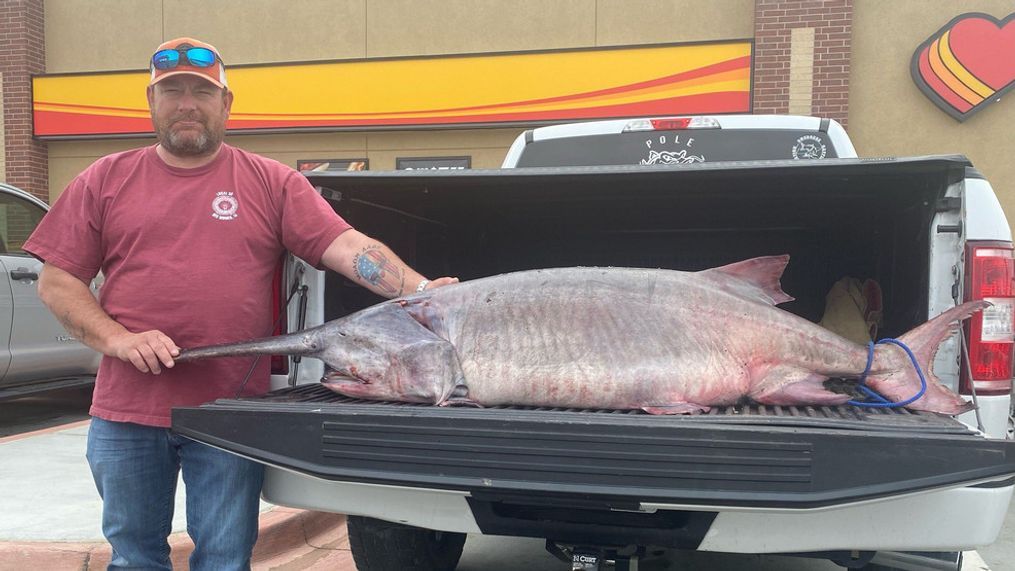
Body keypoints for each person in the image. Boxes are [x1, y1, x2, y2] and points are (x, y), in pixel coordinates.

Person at [24, 37, 458, 571]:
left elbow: (347, 247)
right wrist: (119, 339)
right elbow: (57, 280)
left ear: (226, 104)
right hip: (126, 415)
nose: (187, 103)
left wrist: (420, 292)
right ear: (151, 101)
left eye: (202, 92)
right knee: (134, 559)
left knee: (226, 561)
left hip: (228, 416)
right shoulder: (104, 180)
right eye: (173, 92)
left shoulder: (271, 183)